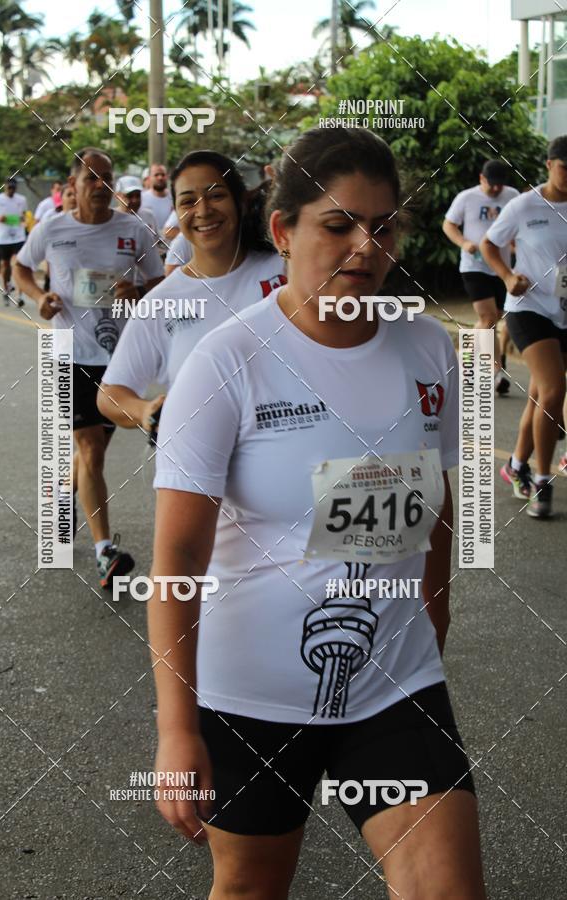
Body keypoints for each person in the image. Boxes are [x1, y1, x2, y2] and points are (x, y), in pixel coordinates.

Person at [149, 127, 486, 900]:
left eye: (384, 224)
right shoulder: (227, 362)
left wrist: (433, 613)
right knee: (250, 890)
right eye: (339, 225)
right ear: (283, 230)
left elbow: (434, 506)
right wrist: (177, 728)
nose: (366, 245)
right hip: (250, 695)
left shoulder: (429, 348)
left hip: (392, 681)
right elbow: (175, 562)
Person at [14, 147, 165, 588]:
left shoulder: (133, 231)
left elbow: (158, 282)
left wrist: (136, 290)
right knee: (91, 449)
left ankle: (62, 509)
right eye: (91, 179)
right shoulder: (52, 228)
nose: (101, 186)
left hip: (119, 361)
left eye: (107, 178)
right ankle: (105, 553)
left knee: (91, 451)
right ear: (73, 186)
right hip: (68, 353)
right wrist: (39, 298)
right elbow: (22, 268)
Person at [98, 150, 286, 435]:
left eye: (216, 195)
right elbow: (111, 394)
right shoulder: (162, 301)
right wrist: (146, 410)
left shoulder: (287, 268)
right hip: (200, 468)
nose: (203, 210)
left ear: (240, 201)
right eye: (188, 201)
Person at [481, 135, 567, 518]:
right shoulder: (524, 204)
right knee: (554, 389)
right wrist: (505, 275)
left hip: (564, 310)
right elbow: (488, 243)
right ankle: (543, 481)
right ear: (549, 165)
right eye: (565, 167)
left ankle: (516, 465)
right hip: (528, 307)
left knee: (540, 398)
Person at [443, 160, 519, 395]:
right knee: (487, 318)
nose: (496, 190)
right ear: (481, 179)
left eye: (500, 185)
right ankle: (494, 373)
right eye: (491, 185)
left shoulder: (512, 195)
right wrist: (464, 243)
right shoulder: (467, 198)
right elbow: (449, 225)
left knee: (493, 318)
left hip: (502, 267)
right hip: (474, 266)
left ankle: (460, 360)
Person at [0, 178, 27, 306]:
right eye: (9, 188)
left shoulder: (22, 199)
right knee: (5, 264)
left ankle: (19, 296)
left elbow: (24, 215)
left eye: (13, 188)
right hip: (2, 237)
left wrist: (22, 218)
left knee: (18, 264)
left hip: (18, 236)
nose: (11, 190)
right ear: (4, 187)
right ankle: (6, 288)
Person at [141, 163, 173, 236]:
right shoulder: (141, 198)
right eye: (156, 175)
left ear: (167, 176)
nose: (160, 178)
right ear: (149, 178)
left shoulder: (175, 199)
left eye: (163, 175)